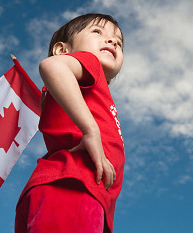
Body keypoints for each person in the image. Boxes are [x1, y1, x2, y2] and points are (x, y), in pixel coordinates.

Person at [15, 13, 125, 233]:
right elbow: (52, 66)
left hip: (73, 191)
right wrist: (90, 130)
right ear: (62, 50)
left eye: (119, 42)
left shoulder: (88, 88)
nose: (112, 41)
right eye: (97, 32)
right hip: (72, 186)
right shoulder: (90, 63)